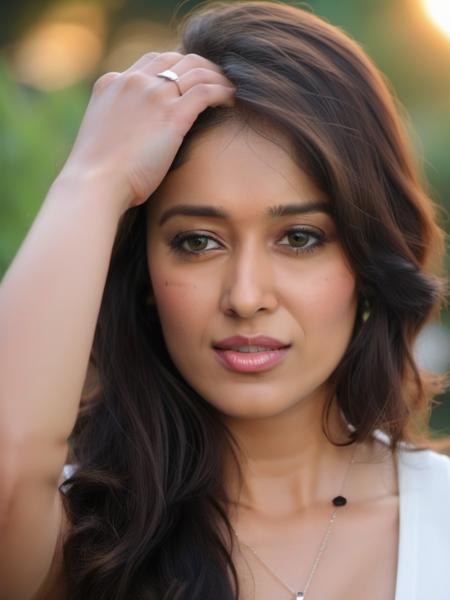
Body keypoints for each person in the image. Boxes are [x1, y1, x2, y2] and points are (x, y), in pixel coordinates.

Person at [0, 1, 449, 599]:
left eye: (299, 238)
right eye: (197, 241)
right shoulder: (83, 539)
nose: (245, 297)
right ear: (144, 275)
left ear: (367, 261)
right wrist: (94, 176)